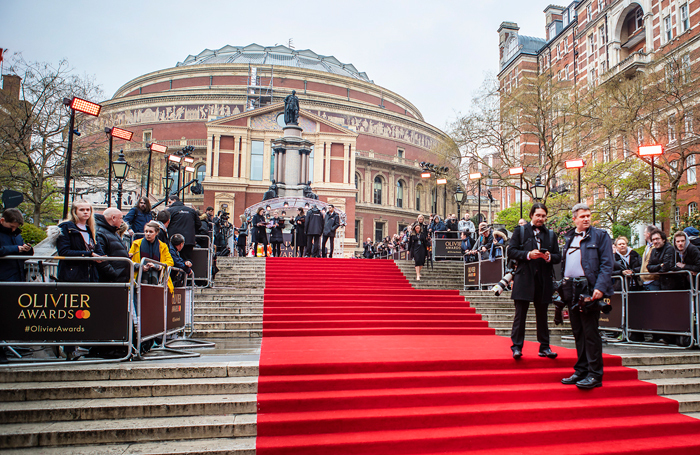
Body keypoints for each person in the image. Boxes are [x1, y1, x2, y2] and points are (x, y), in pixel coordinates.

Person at [560, 203, 614, 389]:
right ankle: (581, 370)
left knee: (590, 332)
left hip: (589, 288)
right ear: (574, 218)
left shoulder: (600, 236)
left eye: (588, 215)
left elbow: (607, 264)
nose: (586, 219)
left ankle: (595, 374)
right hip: (571, 287)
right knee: (578, 332)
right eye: (582, 216)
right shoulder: (569, 237)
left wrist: (599, 287)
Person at [507, 202, 561, 360]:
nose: (541, 218)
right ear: (531, 215)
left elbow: (558, 256)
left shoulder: (551, 234)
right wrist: (528, 254)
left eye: (543, 216)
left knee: (543, 315)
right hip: (524, 277)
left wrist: (549, 257)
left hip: (543, 279)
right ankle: (517, 347)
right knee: (520, 315)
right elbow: (511, 251)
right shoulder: (521, 231)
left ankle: (544, 347)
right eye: (538, 215)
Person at [56, 200, 105, 361]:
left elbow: (95, 249)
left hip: (89, 274)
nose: (85, 212)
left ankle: (80, 345)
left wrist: (99, 257)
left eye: (88, 210)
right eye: (82, 210)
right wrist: (88, 255)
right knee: (72, 312)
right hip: (72, 274)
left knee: (85, 311)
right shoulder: (66, 228)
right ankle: (69, 348)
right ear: (74, 211)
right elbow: (64, 251)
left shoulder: (91, 230)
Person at [128, 221, 174, 288]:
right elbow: (129, 260)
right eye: (146, 231)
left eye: (150, 232)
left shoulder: (163, 246)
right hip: (138, 278)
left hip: (158, 278)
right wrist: (140, 266)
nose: (148, 234)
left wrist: (157, 266)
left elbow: (170, 262)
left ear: (156, 233)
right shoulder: (136, 244)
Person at [95, 208, 130, 283]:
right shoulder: (100, 232)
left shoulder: (112, 231)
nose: (122, 221)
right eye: (120, 218)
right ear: (113, 218)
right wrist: (114, 275)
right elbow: (100, 258)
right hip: (110, 281)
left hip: (118, 279)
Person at [0, 208, 34, 282]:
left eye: (16, 227)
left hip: (18, 277)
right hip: (4, 278)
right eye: (11, 226)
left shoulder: (17, 235)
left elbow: (24, 256)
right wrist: (16, 248)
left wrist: (27, 250)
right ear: (2, 221)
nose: (13, 230)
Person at [165, 195, 202, 262]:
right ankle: (187, 272)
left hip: (173, 240)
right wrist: (191, 231)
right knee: (187, 260)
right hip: (188, 240)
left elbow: (165, 224)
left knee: (172, 260)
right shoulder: (191, 211)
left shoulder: (169, 211)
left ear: (174, 201)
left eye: (170, 202)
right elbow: (198, 224)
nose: (169, 204)